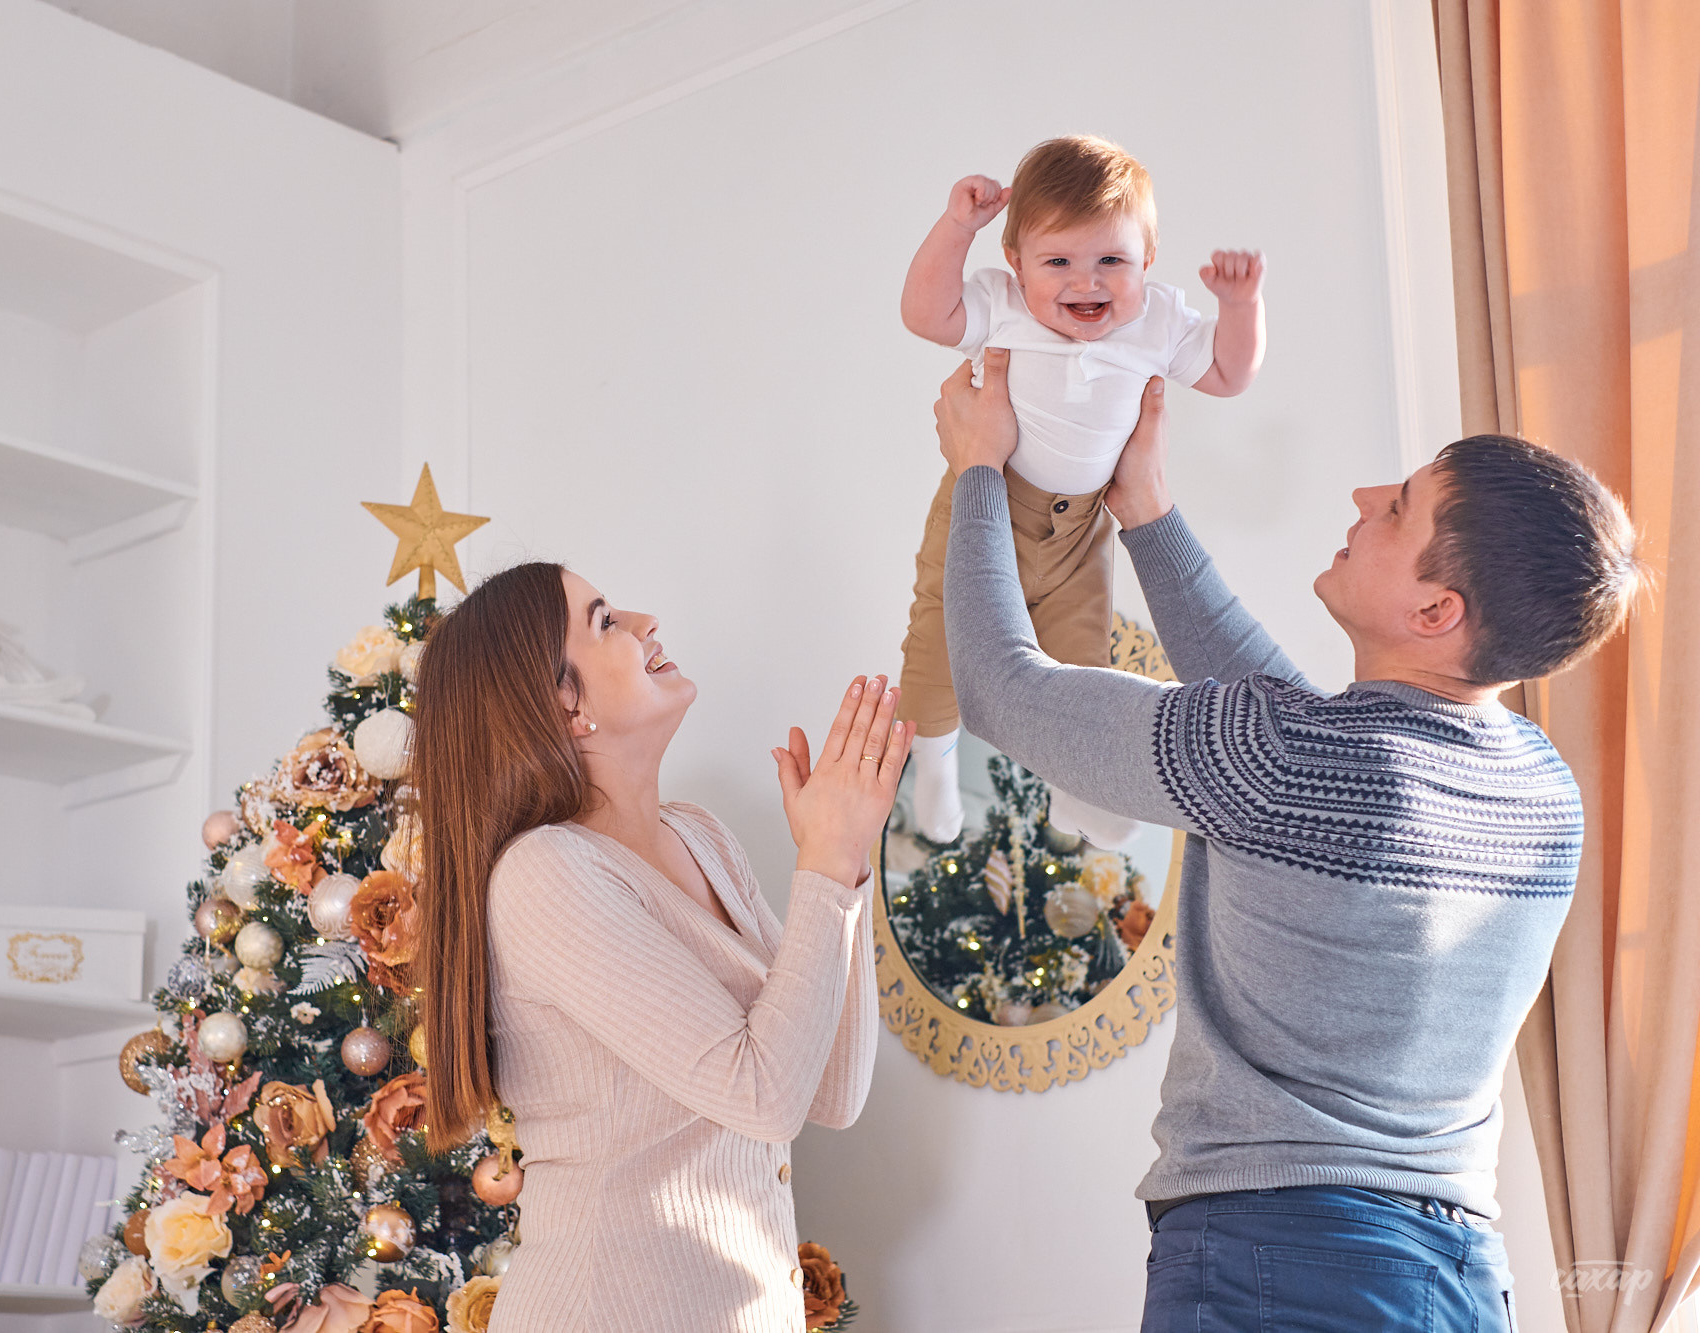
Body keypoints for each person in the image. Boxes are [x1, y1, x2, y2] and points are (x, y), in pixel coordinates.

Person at [935, 349, 1642, 1331]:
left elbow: (998, 686)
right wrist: (1145, 516)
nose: (1361, 497)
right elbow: (1301, 740)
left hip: (1279, 1263)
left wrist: (974, 468)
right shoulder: (1538, 791)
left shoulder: (1285, 759)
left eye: (1396, 506)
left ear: (1435, 611)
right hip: (1460, 1275)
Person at [412, 561, 913, 1333]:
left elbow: (829, 1091)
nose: (646, 621)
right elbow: (764, 1094)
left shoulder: (700, 835)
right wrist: (821, 859)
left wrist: (845, 863)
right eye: (605, 619)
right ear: (563, 702)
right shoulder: (544, 873)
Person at [895, 134, 1265, 848]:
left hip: (1083, 527)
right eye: (1057, 262)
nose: (1085, 283)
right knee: (940, 637)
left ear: (1147, 263)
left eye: (1111, 262)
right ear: (1015, 264)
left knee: (1080, 657)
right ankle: (934, 763)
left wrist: (1241, 305)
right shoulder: (1001, 306)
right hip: (986, 507)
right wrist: (956, 228)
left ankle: (1076, 790)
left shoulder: (1157, 321)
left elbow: (1227, 373)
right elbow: (923, 313)